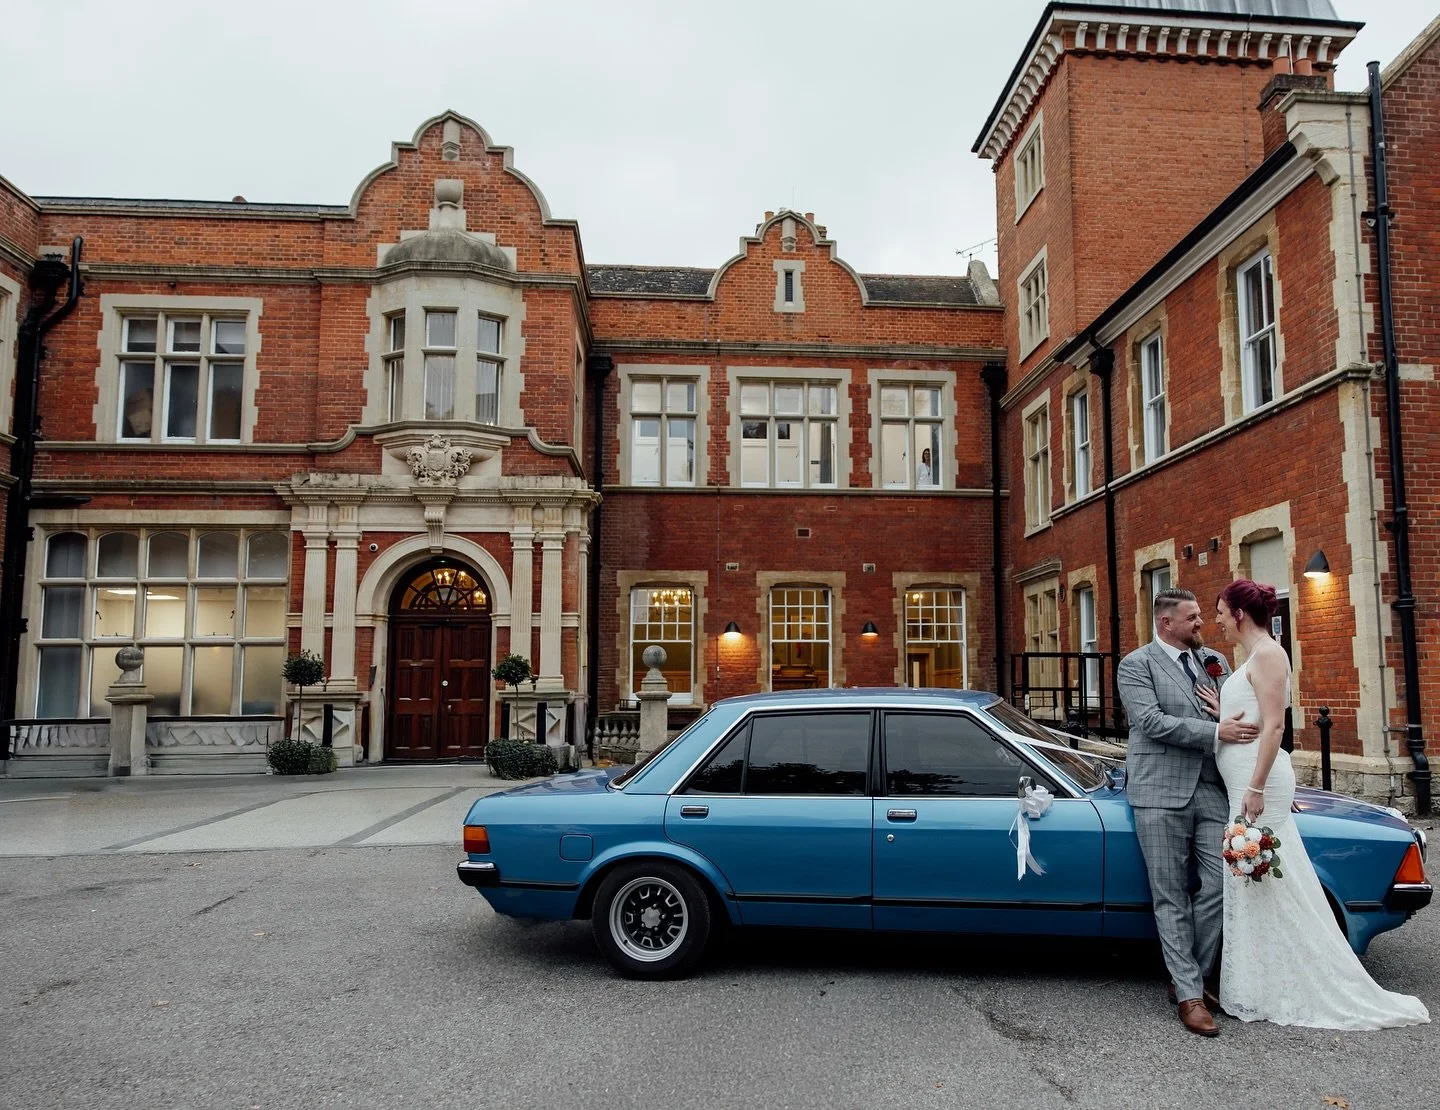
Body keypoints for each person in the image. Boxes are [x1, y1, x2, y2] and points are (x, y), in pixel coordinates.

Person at [1208, 578, 1429, 1029]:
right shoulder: (1252, 657)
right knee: (1255, 885)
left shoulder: (1269, 653)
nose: (1215, 621)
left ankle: (1291, 983)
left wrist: (1254, 786)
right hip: (1245, 783)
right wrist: (1219, 713)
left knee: (1268, 878)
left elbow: (1273, 728)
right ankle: (1261, 982)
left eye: (1219, 611)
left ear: (1238, 614)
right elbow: (1251, 713)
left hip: (1258, 786)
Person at [1117, 587, 1258, 1036]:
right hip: (1158, 792)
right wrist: (1217, 729)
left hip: (1212, 790)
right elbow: (1151, 723)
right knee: (1170, 894)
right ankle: (1192, 996)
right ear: (1166, 623)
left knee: (1222, 884)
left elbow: (1239, 715)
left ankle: (1185, 977)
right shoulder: (1135, 665)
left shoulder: (1213, 660)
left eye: (1201, 616)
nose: (1202, 623)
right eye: (1193, 617)